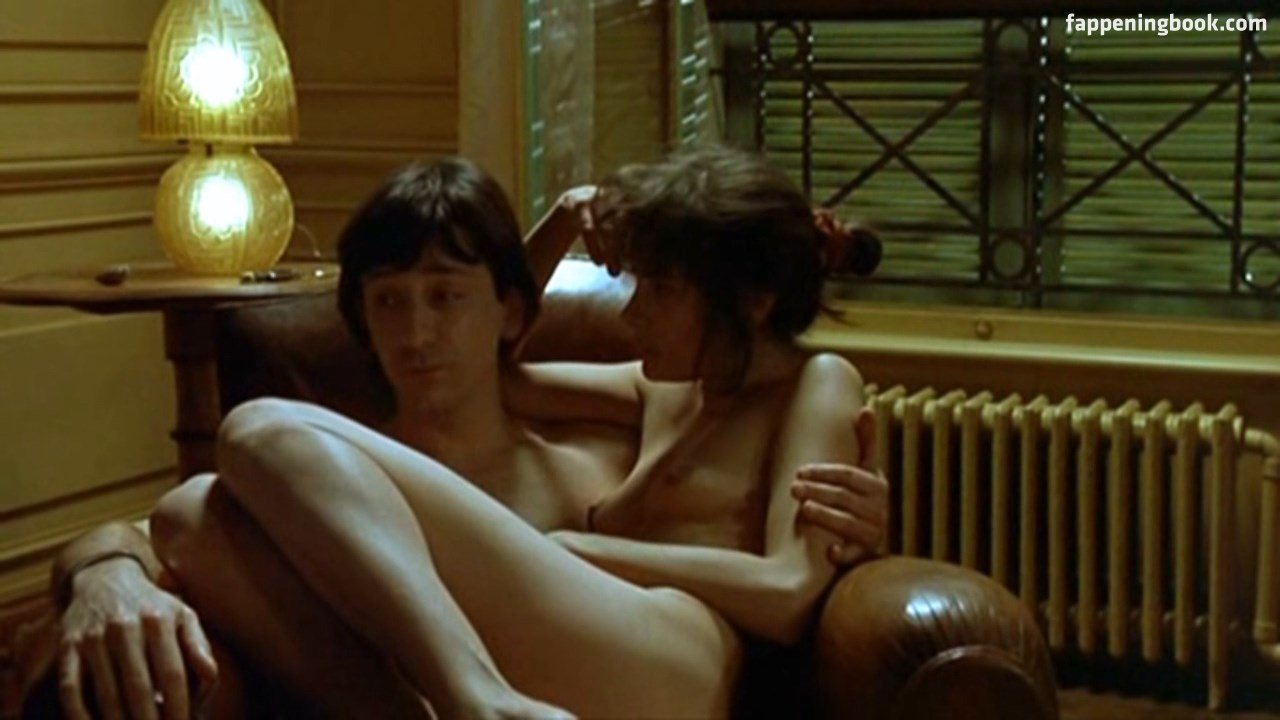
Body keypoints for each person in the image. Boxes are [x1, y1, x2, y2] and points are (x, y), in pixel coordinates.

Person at [35, 153, 886, 719]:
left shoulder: (819, 382)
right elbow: (498, 362)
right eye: (390, 302)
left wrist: (575, 545)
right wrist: (561, 219)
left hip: (683, 665)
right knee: (191, 512)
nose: (631, 315)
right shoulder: (657, 391)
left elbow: (787, 594)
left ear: (753, 301)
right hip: (593, 652)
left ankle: (476, 700)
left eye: (658, 291)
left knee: (256, 427)